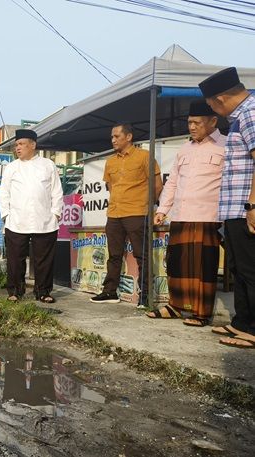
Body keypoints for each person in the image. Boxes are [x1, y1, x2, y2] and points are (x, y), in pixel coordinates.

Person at [148, 100, 226, 326]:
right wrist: (162, 210)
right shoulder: (185, 149)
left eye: (197, 123)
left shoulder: (226, 146)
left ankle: (201, 313)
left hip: (208, 216)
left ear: (213, 121)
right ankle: (176, 306)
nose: (192, 127)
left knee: (204, 266)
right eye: (189, 122)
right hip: (181, 215)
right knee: (177, 264)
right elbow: (172, 183)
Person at [199, 67, 255, 348]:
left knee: (251, 268)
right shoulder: (239, 117)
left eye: (210, 105)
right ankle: (242, 322)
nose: (213, 110)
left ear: (219, 100)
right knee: (239, 268)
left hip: (247, 207)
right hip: (235, 209)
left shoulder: (251, 113)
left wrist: (253, 204)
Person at [90, 123, 163, 308]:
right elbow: (111, 186)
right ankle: (109, 291)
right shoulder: (110, 161)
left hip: (138, 212)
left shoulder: (144, 156)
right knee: (114, 255)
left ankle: (145, 297)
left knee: (142, 255)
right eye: (112, 137)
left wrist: (148, 206)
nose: (113, 140)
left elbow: (157, 185)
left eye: (116, 136)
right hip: (114, 213)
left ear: (129, 137)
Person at [0, 129, 64, 303]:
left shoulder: (48, 165)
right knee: (15, 259)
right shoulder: (11, 167)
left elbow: (57, 191)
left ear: (33, 145)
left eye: (21, 144)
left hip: (44, 220)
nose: (17, 148)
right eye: (16, 145)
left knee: (44, 260)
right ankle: (15, 291)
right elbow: (4, 193)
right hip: (16, 221)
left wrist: (56, 213)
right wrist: (6, 215)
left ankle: (43, 291)